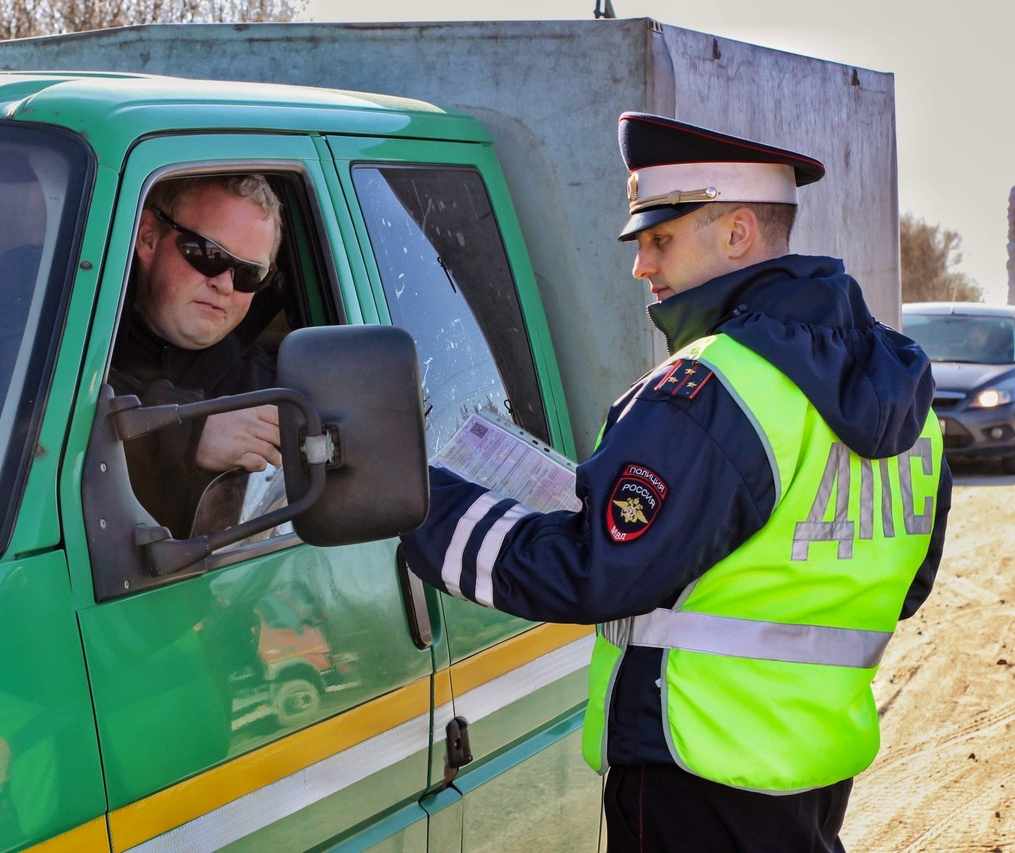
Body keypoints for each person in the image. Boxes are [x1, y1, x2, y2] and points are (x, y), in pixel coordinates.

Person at [399, 112, 952, 852]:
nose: (640, 265)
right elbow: (903, 584)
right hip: (810, 777)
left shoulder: (709, 389)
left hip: (692, 775)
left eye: (659, 238)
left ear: (737, 232)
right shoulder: (910, 401)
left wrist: (417, 504)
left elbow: (592, 571)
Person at [109, 174, 284, 538]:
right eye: (209, 254)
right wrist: (188, 431)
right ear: (148, 238)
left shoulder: (269, 393)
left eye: (249, 274)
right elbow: (44, 408)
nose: (224, 283)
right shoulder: (68, 325)